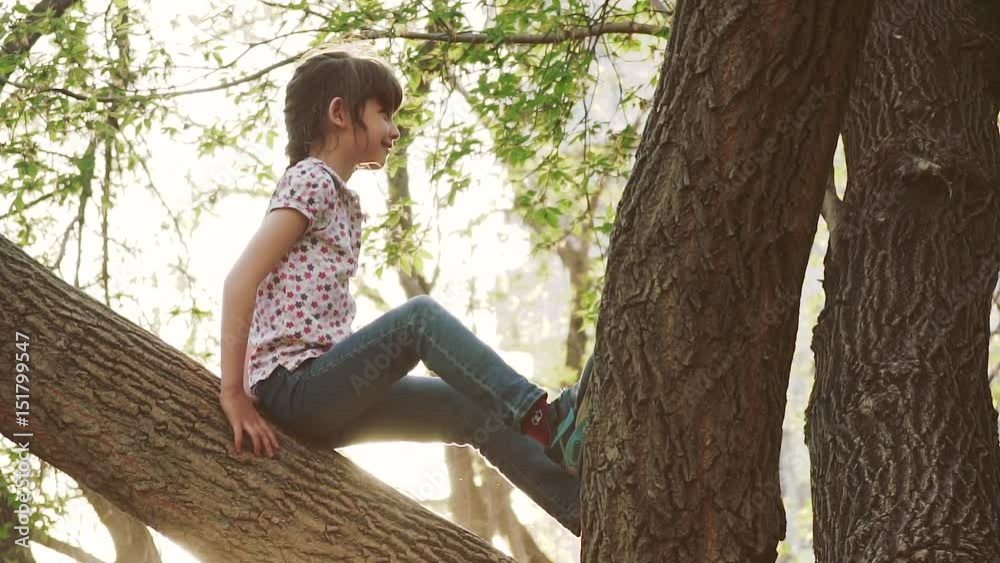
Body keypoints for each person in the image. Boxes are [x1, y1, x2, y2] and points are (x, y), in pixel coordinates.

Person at [217, 49, 592, 536]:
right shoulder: (311, 180)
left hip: (329, 396)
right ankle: (545, 418)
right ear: (339, 113)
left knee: (467, 407)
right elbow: (239, 281)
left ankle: (582, 509)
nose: (394, 130)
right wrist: (234, 394)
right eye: (383, 114)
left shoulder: (337, 195)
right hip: (295, 389)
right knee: (419, 319)